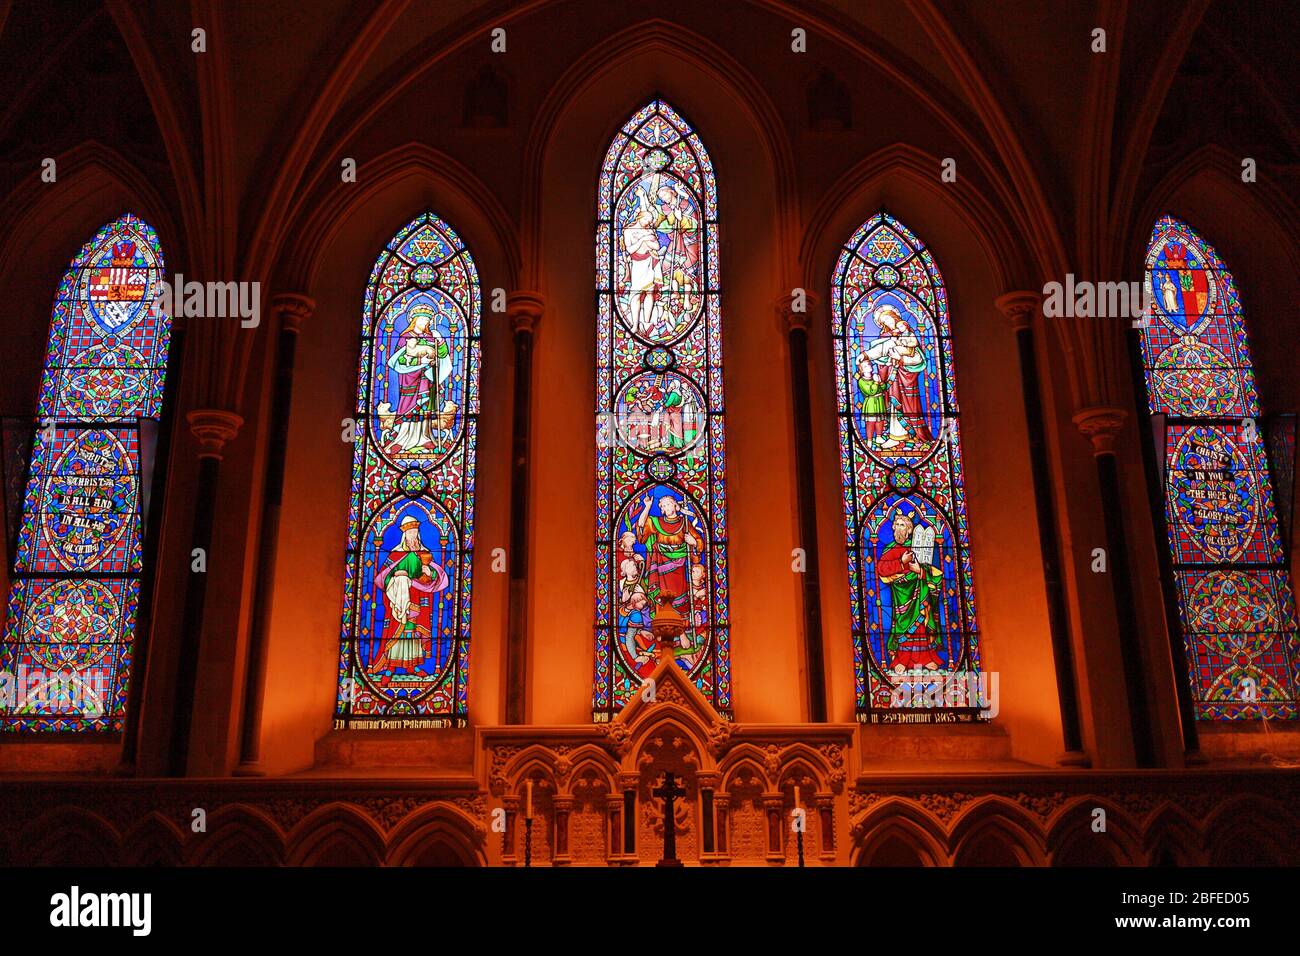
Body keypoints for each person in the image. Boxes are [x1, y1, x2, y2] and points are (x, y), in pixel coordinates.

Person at [876, 510, 944, 673]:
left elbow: (933, 573)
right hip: (900, 595)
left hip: (919, 591)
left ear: (909, 530)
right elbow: (882, 569)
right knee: (902, 625)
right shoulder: (889, 549)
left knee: (921, 622)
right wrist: (901, 562)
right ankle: (901, 659)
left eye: (902, 525)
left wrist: (920, 570)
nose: (898, 528)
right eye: (897, 525)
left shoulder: (916, 546)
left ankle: (926, 657)